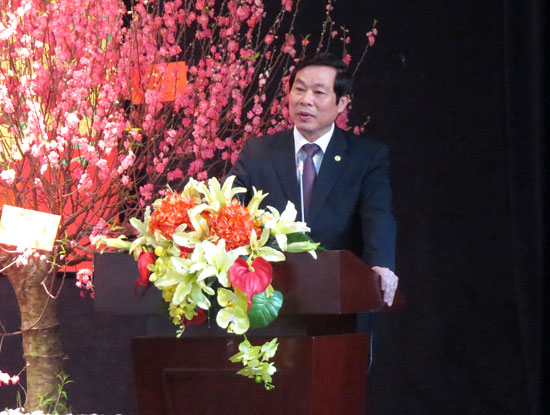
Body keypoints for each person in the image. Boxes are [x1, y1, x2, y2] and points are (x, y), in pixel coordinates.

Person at [229, 53, 398, 306]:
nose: (305, 100)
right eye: (299, 90)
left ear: (342, 102)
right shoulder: (258, 153)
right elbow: (229, 205)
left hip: (340, 295)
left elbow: (378, 215)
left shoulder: (366, 157)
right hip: (268, 296)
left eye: (319, 92)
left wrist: (380, 265)